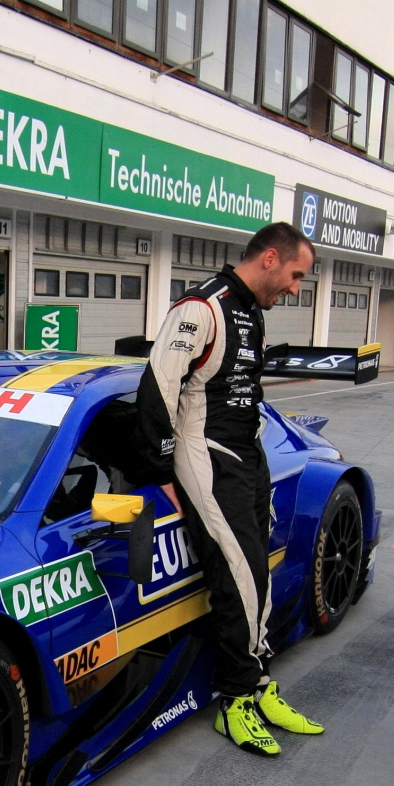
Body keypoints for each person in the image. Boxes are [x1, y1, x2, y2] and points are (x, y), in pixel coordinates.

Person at [137, 222, 324, 756]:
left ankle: (258, 681)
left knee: (256, 569)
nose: (294, 288)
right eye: (294, 275)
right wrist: (160, 473)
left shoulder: (251, 313)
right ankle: (235, 697)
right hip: (205, 456)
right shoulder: (201, 308)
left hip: (248, 455)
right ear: (269, 258)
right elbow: (158, 389)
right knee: (238, 574)